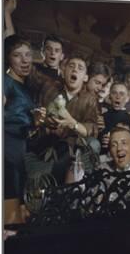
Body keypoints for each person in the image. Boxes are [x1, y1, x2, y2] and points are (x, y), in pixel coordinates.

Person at [25, 52, 100, 185]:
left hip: (70, 154)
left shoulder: (90, 100)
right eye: (71, 66)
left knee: (93, 143)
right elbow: (29, 71)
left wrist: (72, 123)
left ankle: (66, 181)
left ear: (85, 77)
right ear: (63, 71)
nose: (75, 69)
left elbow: (91, 130)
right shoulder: (49, 87)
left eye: (80, 68)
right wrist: (39, 121)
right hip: (43, 150)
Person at [3, 35, 40, 223]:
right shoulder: (4, 82)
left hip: (20, 146)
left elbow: (22, 119)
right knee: (10, 193)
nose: (25, 60)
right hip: (6, 145)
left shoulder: (25, 87)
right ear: (8, 58)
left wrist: (36, 121)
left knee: (18, 199)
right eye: (18, 55)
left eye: (28, 54)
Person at [100, 82, 130, 154]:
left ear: (127, 98)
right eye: (114, 93)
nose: (118, 96)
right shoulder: (102, 117)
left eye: (121, 94)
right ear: (109, 96)